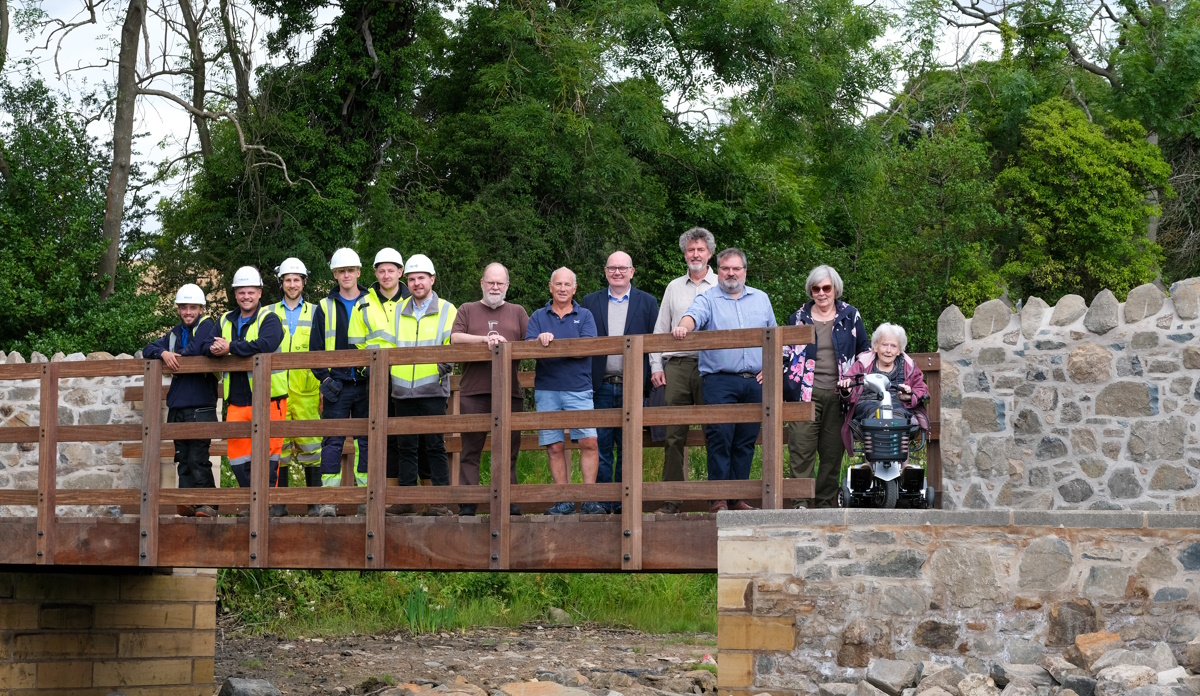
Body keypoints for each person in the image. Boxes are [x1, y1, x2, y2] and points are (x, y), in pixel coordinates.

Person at [672, 248, 776, 513]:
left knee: (745, 441)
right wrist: (684, 326)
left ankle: (736, 498)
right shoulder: (707, 298)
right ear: (718, 271)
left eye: (736, 268)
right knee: (720, 438)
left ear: (744, 271)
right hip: (719, 381)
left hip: (755, 381)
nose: (731, 273)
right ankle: (718, 498)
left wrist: (771, 366)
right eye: (726, 268)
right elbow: (692, 316)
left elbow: (774, 337)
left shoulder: (761, 298)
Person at [783, 264, 869, 509]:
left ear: (835, 289)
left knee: (832, 453)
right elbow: (785, 354)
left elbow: (864, 353)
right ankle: (800, 502)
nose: (821, 292)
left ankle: (823, 504)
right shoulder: (798, 318)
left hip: (840, 395)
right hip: (803, 395)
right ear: (810, 290)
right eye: (816, 288)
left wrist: (853, 381)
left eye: (826, 287)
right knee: (801, 449)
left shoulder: (851, 316)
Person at [580, 251, 658, 513]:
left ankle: (625, 502)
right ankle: (603, 502)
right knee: (600, 445)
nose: (617, 272)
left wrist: (653, 374)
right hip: (600, 384)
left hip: (632, 385)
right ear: (605, 271)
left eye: (622, 268)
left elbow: (655, 343)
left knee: (629, 448)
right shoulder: (590, 302)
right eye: (612, 268)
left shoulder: (647, 302)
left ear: (632, 272)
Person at [449, 262, 528, 517]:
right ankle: (469, 503)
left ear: (507, 286)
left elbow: (531, 342)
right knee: (470, 449)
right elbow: (455, 338)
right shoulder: (467, 310)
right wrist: (486, 340)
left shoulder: (517, 312)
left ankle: (509, 500)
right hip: (474, 391)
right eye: (490, 282)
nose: (495, 287)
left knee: (508, 449)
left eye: (500, 283)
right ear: (482, 283)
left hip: (509, 392)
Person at [649, 227, 718, 514]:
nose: (695, 254)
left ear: (710, 253)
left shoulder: (722, 284)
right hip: (676, 365)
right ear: (684, 254)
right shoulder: (673, 287)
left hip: (711, 366)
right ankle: (672, 499)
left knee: (716, 432)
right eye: (691, 249)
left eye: (700, 249)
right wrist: (656, 365)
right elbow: (659, 330)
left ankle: (719, 498)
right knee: (674, 434)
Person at [209, 266, 288, 515]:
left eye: (250, 292)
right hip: (237, 400)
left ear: (260, 292)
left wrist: (230, 346)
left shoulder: (270, 318)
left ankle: (268, 505)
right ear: (235, 294)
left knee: (270, 455)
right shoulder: (224, 320)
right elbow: (208, 344)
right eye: (241, 292)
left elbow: (266, 344)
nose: (246, 296)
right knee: (238, 457)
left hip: (269, 398)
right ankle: (251, 503)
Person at [525, 267, 602, 515]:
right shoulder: (538, 316)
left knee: (589, 442)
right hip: (547, 388)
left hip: (579, 388)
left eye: (567, 284)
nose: (562, 289)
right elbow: (527, 347)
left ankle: (589, 499)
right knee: (554, 446)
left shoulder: (586, 315)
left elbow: (587, 347)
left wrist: (553, 344)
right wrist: (538, 342)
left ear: (574, 288)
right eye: (558, 284)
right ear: (550, 287)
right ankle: (564, 500)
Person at [142, 283, 220, 517]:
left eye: (193, 307)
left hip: (200, 404)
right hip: (178, 405)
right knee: (182, 458)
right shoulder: (174, 334)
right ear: (178, 309)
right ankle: (187, 503)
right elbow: (148, 349)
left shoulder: (208, 326)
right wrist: (163, 353)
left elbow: (196, 348)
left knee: (199, 458)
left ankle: (208, 504)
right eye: (184, 307)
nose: (188, 312)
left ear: (202, 309)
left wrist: (178, 359)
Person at [388, 254, 457, 517]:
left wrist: (443, 367)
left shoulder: (448, 309)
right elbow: (387, 345)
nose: (417, 283)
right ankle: (407, 500)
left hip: (432, 388)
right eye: (413, 279)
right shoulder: (398, 310)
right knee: (405, 445)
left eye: (421, 278)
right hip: (403, 390)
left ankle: (439, 501)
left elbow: (453, 344)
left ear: (432, 280)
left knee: (434, 445)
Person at [347, 248, 412, 514]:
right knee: (378, 437)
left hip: (409, 377)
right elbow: (355, 345)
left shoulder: (413, 302)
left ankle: (402, 496)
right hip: (376, 380)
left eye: (391, 270)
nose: (386, 275)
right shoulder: (363, 303)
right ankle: (381, 496)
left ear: (400, 272)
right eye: (381, 270)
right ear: (375, 273)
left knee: (405, 436)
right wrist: (368, 372)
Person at [308, 248, 371, 516]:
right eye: (341, 271)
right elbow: (315, 349)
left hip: (367, 383)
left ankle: (365, 501)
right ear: (335, 274)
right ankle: (328, 501)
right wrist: (325, 378)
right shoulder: (324, 306)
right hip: (337, 385)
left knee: (367, 441)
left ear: (358, 272)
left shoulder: (373, 302)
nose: (346, 275)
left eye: (350, 270)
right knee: (332, 442)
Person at [269, 258, 322, 511]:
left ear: (304, 282)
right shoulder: (268, 312)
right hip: (277, 389)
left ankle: (314, 504)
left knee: (311, 447)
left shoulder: (316, 311)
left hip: (307, 389)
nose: (292, 284)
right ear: (282, 283)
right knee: (279, 447)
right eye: (288, 280)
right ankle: (280, 505)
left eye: (296, 280)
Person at [837, 322, 930, 455]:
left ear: (899, 350)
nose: (888, 350)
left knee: (900, 418)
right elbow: (850, 381)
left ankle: (904, 465)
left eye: (893, 346)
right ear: (875, 346)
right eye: (884, 345)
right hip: (868, 403)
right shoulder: (864, 363)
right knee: (874, 416)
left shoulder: (908, 366)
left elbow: (922, 389)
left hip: (897, 404)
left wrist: (910, 395)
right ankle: (869, 464)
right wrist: (846, 388)